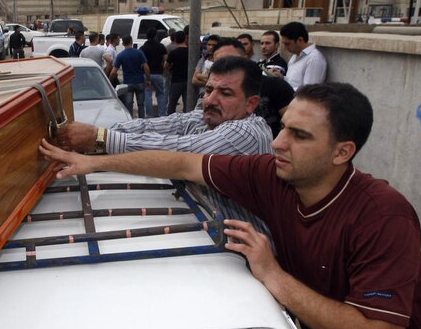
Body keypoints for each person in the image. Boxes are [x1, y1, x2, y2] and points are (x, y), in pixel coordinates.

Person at [42, 82, 421, 329]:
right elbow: (184, 163)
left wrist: (273, 276)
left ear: (342, 152)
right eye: (283, 129)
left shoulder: (382, 215)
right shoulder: (274, 174)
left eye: (300, 136)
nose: (279, 143)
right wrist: (93, 162)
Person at [57, 55, 271, 232]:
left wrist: (100, 138)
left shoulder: (247, 132)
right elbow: (153, 126)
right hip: (214, 232)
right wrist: (94, 134)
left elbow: (179, 153)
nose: (210, 100)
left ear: (250, 103)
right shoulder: (208, 118)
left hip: (248, 261)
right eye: (208, 90)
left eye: (225, 93)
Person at [110, 35, 150, 118]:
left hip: (128, 83)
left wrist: (109, 81)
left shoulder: (121, 55)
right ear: (131, 42)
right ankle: (142, 121)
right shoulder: (139, 52)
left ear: (123, 43)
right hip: (140, 81)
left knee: (129, 105)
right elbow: (146, 67)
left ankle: (130, 122)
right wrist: (148, 79)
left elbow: (113, 72)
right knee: (141, 105)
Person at [279, 21, 327, 90]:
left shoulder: (314, 59)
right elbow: (292, 81)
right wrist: (281, 77)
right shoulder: (294, 56)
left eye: (288, 44)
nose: (285, 47)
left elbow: (309, 90)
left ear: (300, 40)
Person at [140, 28, 168, 118]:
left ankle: (149, 115)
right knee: (161, 94)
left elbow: (142, 63)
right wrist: (164, 71)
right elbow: (166, 61)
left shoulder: (142, 48)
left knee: (147, 95)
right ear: (156, 36)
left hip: (146, 75)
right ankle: (162, 115)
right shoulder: (161, 46)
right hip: (158, 74)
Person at [165, 30, 189, 114]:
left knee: (172, 103)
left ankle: (170, 120)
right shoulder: (190, 52)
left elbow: (166, 66)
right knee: (187, 104)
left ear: (175, 40)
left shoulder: (173, 53)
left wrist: (170, 69)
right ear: (185, 39)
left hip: (176, 80)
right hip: (188, 80)